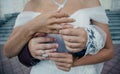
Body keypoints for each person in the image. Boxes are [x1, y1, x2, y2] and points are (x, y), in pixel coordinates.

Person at [4, 0, 114, 74]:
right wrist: (32, 27)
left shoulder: (90, 1)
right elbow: (8, 52)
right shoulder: (33, 3)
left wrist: (75, 62)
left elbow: (109, 51)